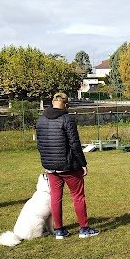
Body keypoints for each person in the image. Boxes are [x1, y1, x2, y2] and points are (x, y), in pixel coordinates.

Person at [35, 92, 99, 238]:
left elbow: (40, 143)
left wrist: (46, 161)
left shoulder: (41, 120)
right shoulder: (67, 119)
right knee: (78, 196)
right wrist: (83, 163)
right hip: (68, 166)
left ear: (52, 102)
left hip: (50, 166)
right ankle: (84, 229)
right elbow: (74, 144)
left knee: (55, 198)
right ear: (66, 105)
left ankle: (59, 231)